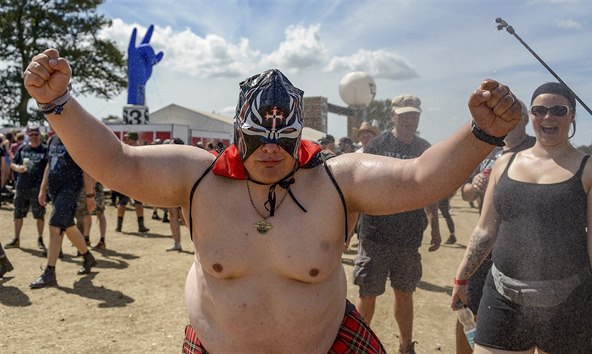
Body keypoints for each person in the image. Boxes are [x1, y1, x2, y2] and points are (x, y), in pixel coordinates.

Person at [23, 49, 522, 353]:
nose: (268, 151)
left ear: (299, 135)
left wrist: (482, 133)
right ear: (237, 131)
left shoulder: (335, 179)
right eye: (256, 137)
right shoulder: (197, 176)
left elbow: (418, 180)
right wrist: (57, 105)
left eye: (282, 141)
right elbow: (117, 161)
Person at [451, 82, 592, 353]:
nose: (548, 117)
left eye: (558, 110)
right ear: (531, 117)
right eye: (540, 110)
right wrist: (462, 277)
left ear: (572, 115)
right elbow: (486, 229)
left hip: (570, 302)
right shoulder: (504, 164)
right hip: (503, 298)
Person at [352, 94, 442, 354]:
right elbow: (359, 186)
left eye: (413, 115)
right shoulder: (378, 144)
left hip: (408, 236)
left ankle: (406, 346)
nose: (409, 120)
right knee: (367, 293)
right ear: (393, 116)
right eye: (404, 116)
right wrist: (350, 229)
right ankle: (358, 346)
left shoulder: (425, 148)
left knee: (404, 291)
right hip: (376, 234)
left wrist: (434, 225)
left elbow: (430, 189)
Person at [454, 100, 535, 354]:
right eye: (504, 115)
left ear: (525, 119)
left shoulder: (537, 148)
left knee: (523, 323)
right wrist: (475, 185)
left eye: (516, 115)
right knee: (465, 310)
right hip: (486, 248)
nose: (509, 120)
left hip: (522, 253)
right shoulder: (487, 149)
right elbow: (465, 193)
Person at [30, 129, 98, 288]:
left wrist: (89, 196)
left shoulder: (78, 139)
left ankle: (50, 273)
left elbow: (86, 170)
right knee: (67, 227)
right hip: (55, 190)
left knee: (55, 226)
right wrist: (42, 188)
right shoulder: (52, 139)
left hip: (71, 188)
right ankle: (88, 257)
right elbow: (49, 164)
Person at [7, 127, 49, 250]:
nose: (34, 136)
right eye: (31, 134)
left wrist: (44, 188)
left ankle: (40, 239)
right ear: (28, 136)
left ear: (40, 135)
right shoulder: (22, 148)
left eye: (36, 134)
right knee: (18, 213)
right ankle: (16, 239)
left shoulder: (45, 150)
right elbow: (12, 164)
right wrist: (17, 168)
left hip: (37, 187)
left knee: (39, 215)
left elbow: (49, 167)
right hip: (22, 186)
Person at [114, 131, 150, 233]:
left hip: (127, 180)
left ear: (132, 139)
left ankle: (120, 226)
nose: (126, 140)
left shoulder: (126, 149)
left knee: (126, 203)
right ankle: (139, 226)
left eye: (128, 138)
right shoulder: (141, 150)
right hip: (134, 180)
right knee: (134, 203)